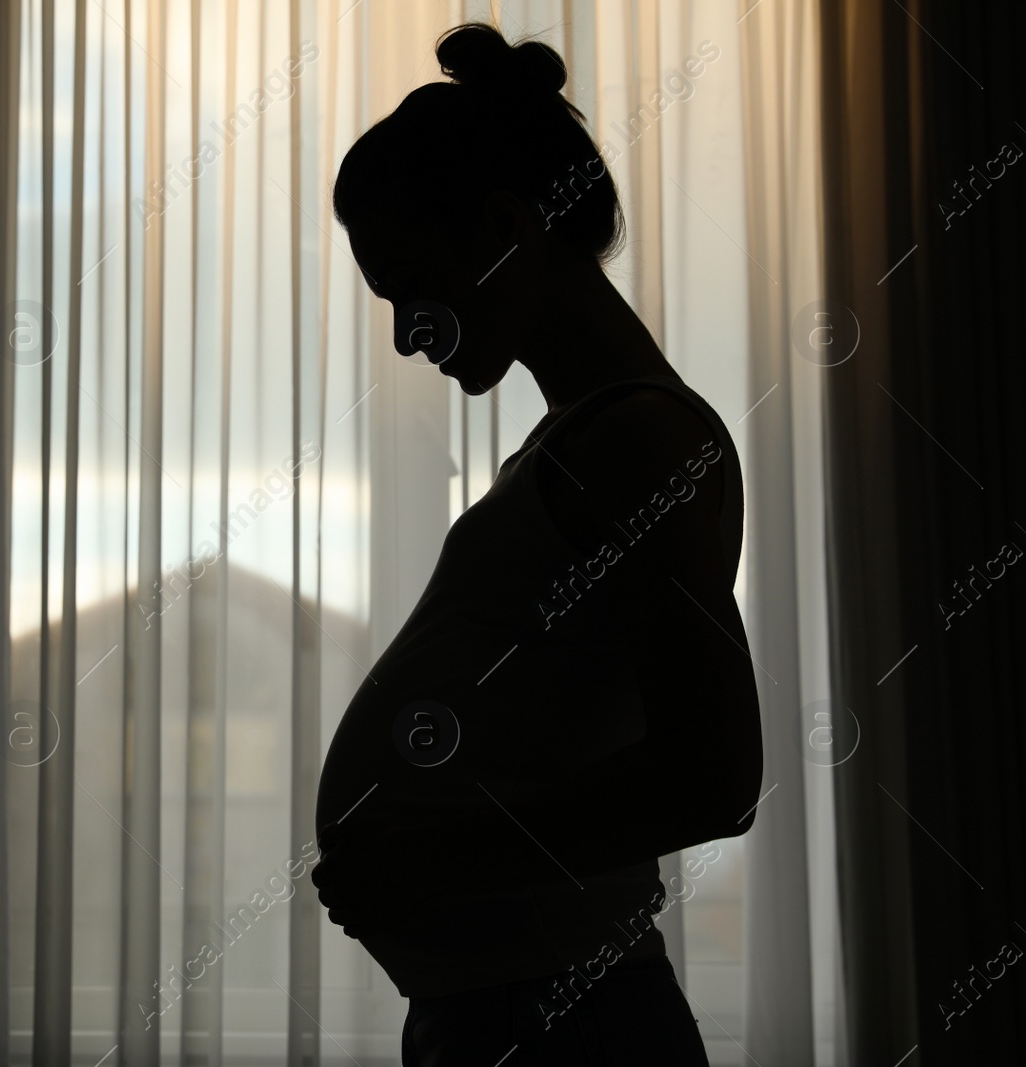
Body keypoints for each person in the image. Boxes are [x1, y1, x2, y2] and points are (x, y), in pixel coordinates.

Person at [310, 21, 764, 1066]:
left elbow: (714, 774)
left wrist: (429, 861)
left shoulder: (641, 440)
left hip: (567, 1019)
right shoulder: (577, 443)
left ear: (510, 226)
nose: (404, 332)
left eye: (411, 287)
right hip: (513, 1008)